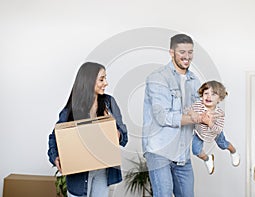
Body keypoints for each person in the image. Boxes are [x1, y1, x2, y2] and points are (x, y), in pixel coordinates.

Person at [142, 34, 210, 197]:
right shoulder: (158, 78)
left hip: (182, 153)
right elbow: (162, 116)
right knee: (163, 194)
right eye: (182, 52)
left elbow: (199, 109)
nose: (187, 57)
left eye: (190, 52)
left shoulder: (194, 81)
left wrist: (207, 117)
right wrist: (195, 118)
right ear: (171, 52)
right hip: (159, 150)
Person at [48, 62, 128, 197]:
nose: (106, 83)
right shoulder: (73, 108)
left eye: (105, 78)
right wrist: (55, 157)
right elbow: (55, 136)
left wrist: (112, 126)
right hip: (79, 175)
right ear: (89, 81)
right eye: (102, 79)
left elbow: (123, 137)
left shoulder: (109, 103)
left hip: (103, 170)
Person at [190, 80, 240, 175]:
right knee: (196, 150)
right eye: (206, 93)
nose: (209, 96)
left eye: (213, 94)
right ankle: (208, 159)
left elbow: (218, 130)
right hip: (200, 132)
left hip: (215, 132)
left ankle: (234, 151)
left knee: (223, 145)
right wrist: (194, 114)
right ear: (202, 95)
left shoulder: (219, 113)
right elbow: (189, 110)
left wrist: (209, 123)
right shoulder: (198, 105)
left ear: (219, 99)